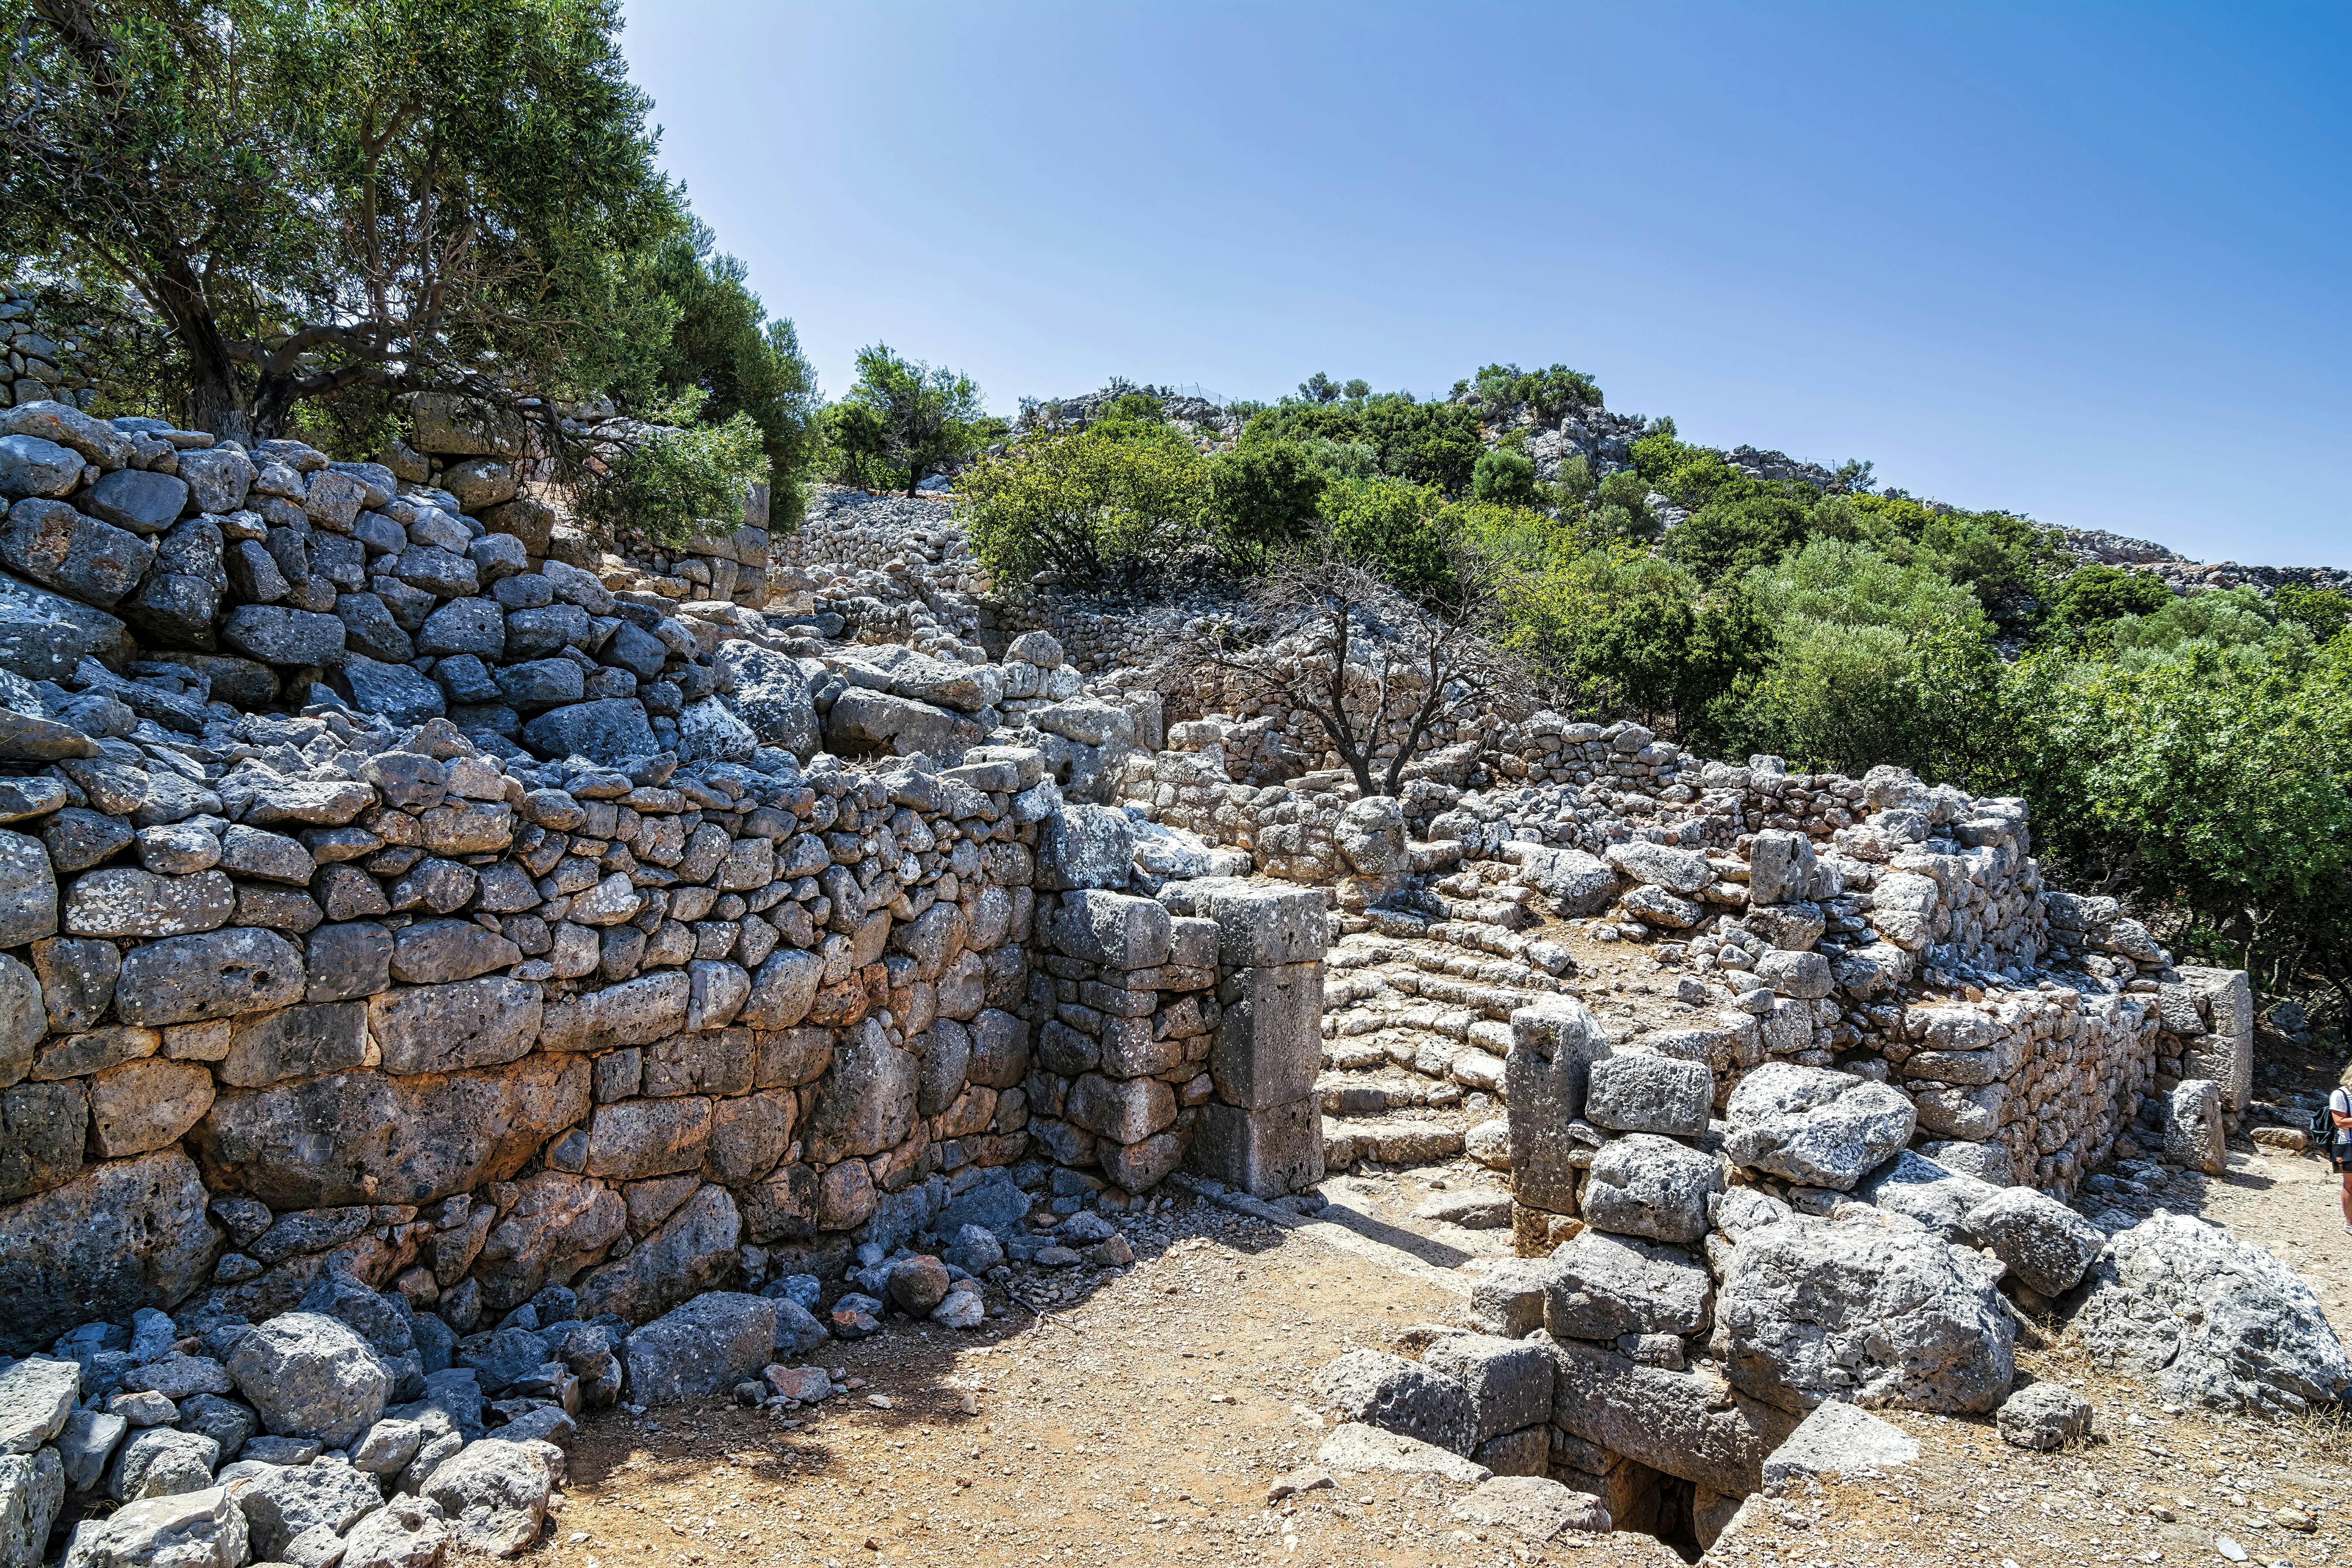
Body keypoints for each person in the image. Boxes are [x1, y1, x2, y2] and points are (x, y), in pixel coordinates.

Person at [2333, 1082, 2352, 1232]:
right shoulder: (2340, 1094)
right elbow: (2340, 1122)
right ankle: (2350, 1224)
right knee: (2350, 1185)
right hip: (2347, 1145)